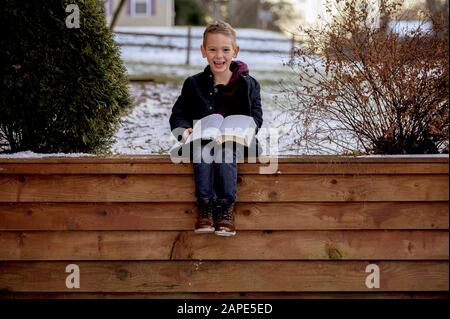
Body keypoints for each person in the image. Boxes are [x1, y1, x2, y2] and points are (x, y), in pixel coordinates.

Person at [169, 20, 263, 236]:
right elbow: (179, 114)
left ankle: (225, 209)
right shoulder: (193, 84)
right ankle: (205, 206)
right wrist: (184, 131)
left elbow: (256, 118)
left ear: (235, 51)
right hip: (203, 139)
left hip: (237, 142)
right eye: (212, 49)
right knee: (205, 150)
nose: (219, 56)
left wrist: (245, 129)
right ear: (203, 51)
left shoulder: (250, 85)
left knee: (224, 150)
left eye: (225, 50)